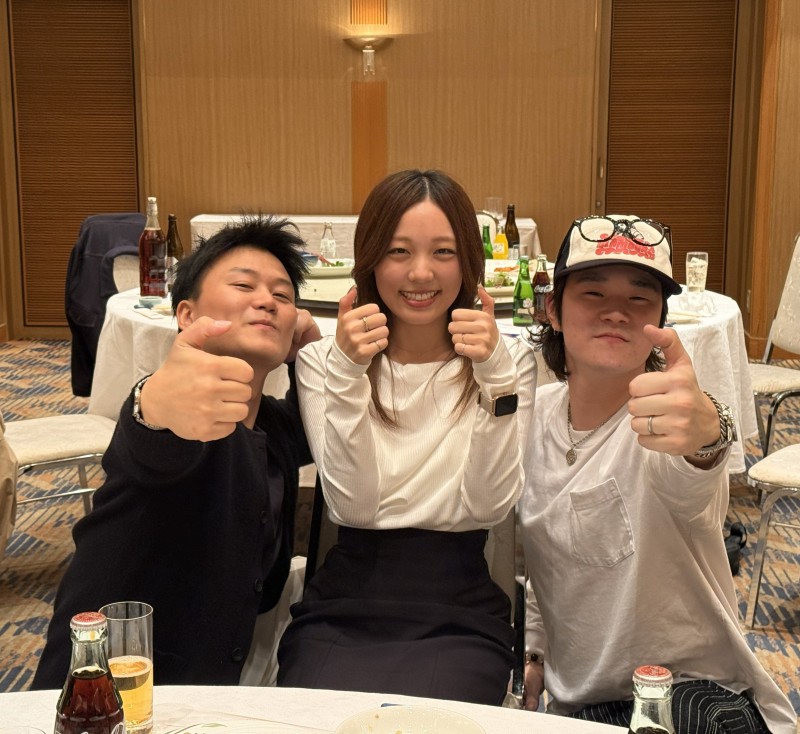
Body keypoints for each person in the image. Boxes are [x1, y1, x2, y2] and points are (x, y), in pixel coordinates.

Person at [519, 215, 797, 733]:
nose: (616, 312)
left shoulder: (662, 427)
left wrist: (710, 430)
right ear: (552, 309)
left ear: (661, 324)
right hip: (580, 705)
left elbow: (695, 470)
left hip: (691, 694)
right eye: (593, 293)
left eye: (639, 298)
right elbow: (544, 559)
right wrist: (535, 649)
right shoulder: (532, 419)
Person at [276, 169, 537, 705]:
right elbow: (352, 506)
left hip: (461, 603)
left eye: (443, 252)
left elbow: (489, 506)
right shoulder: (323, 360)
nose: (421, 273)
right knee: (312, 712)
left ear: (469, 261)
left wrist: (494, 376)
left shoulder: (509, 361)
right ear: (370, 259)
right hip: (346, 597)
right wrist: (348, 373)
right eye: (398, 251)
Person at [32, 214, 320, 688]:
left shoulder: (272, 425)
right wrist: (153, 402)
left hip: (204, 693)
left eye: (283, 295)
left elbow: (318, 426)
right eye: (243, 285)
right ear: (186, 315)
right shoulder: (173, 415)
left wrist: (308, 357)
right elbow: (153, 431)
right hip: (108, 689)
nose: (267, 300)